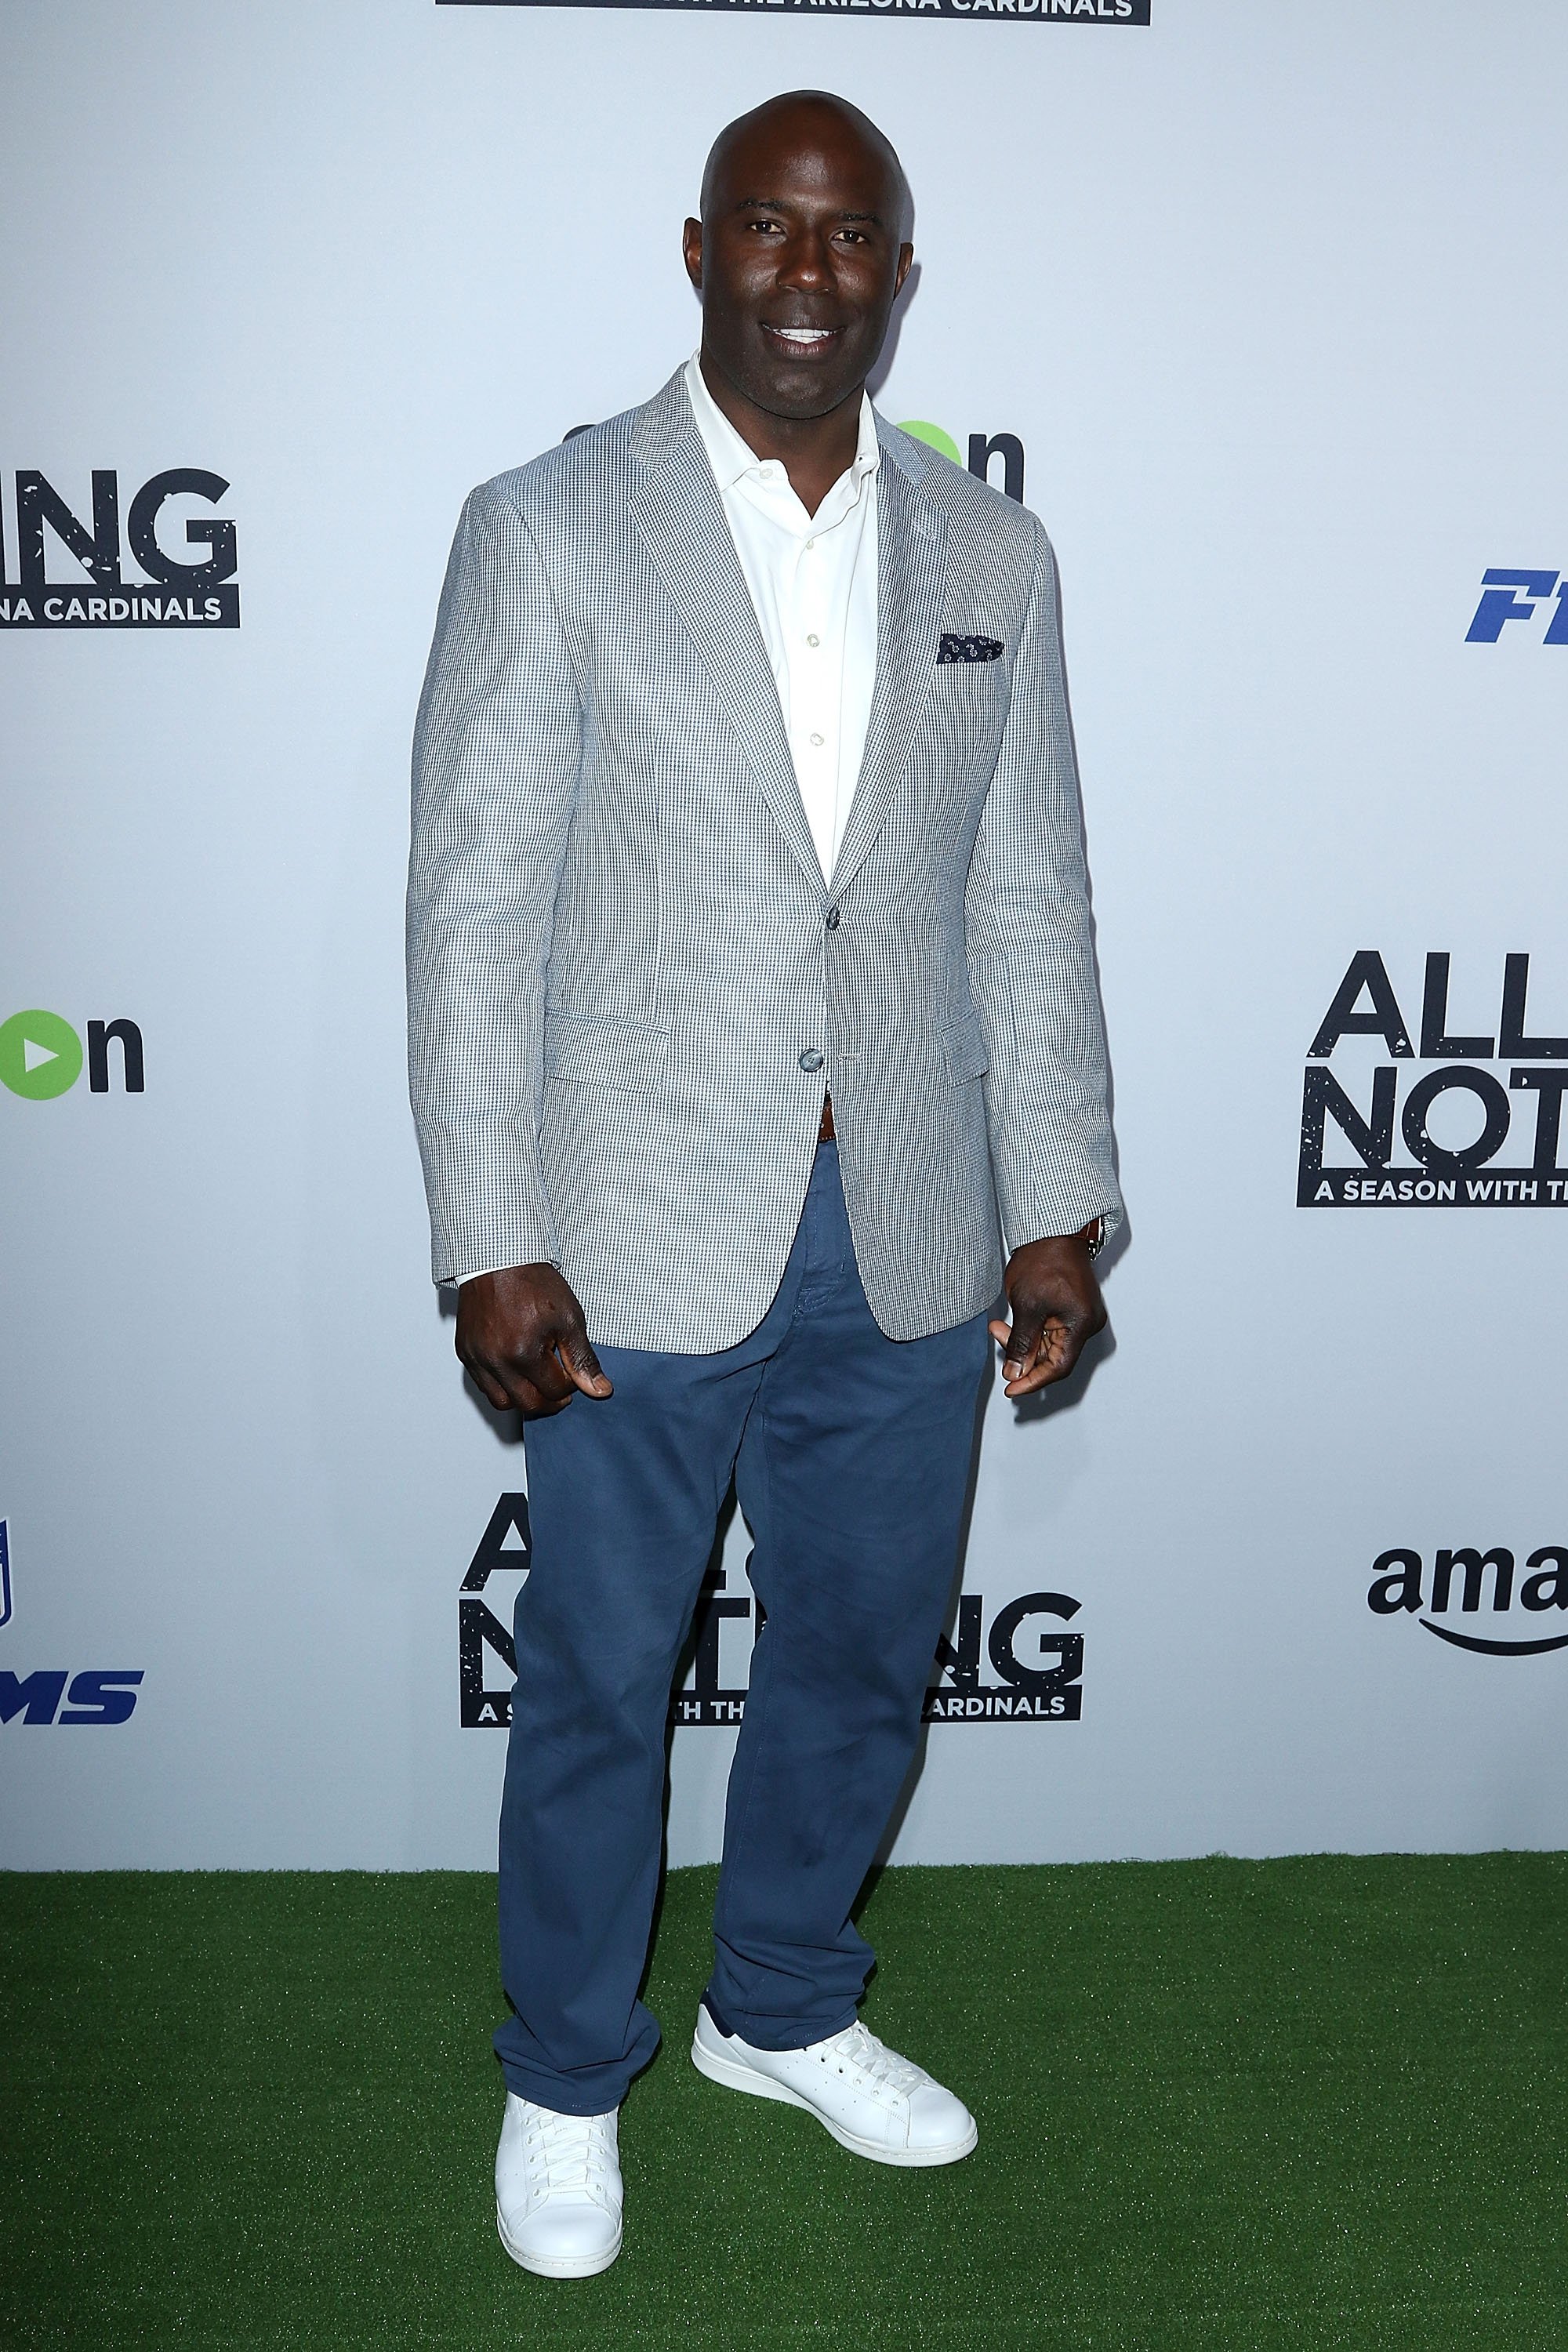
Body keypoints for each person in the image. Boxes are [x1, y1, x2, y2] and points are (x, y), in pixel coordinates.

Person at [407, 88, 1122, 2281]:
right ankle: (562, 2070)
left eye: (856, 245)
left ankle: (783, 2007)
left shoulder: (991, 554)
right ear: (701, 250)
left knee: (859, 1655)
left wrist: (1059, 1197)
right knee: (606, 1677)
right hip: (626, 1223)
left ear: (900, 278)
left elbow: (1031, 902)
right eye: (774, 237)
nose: (813, 280)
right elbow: (474, 906)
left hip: (902, 1214)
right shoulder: (549, 526)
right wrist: (488, 1229)